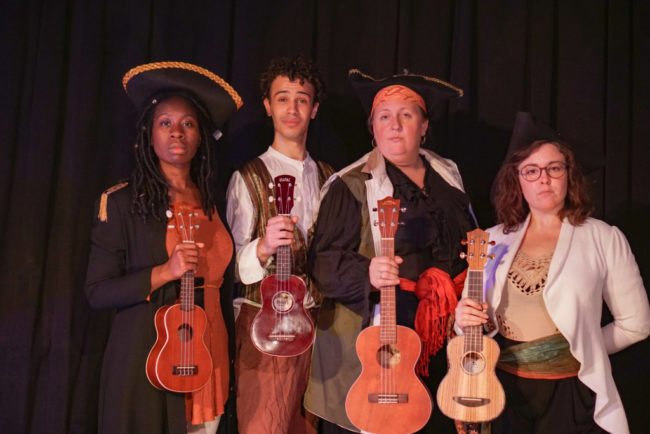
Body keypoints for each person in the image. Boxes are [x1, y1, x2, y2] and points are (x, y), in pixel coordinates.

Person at [454, 112, 650, 434]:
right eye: (531, 170)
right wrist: (464, 321)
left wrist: (577, 348)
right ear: (516, 179)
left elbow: (636, 325)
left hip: (571, 393)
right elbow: (474, 325)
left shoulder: (603, 237)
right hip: (503, 393)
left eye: (554, 168)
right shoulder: (489, 239)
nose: (543, 179)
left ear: (569, 175)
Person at [304, 69, 477, 433]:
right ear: (373, 128)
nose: (395, 125)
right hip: (385, 331)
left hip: (446, 327)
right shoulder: (350, 184)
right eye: (384, 116)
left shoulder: (447, 173)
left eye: (407, 115)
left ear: (424, 126)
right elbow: (321, 261)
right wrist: (365, 273)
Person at [85, 61, 243, 434]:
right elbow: (97, 291)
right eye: (165, 123)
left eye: (188, 124)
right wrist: (164, 272)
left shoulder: (213, 201)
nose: (177, 132)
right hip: (148, 359)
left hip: (210, 353)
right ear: (148, 135)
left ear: (201, 135)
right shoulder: (123, 203)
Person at [225, 54, 334, 434]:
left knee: (305, 427)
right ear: (268, 106)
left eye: (302, 99)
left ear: (314, 109)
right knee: (263, 426)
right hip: (262, 323)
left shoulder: (330, 178)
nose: (293, 108)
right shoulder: (248, 177)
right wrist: (262, 247)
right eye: (283, 98)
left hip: (317, 324)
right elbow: (230, 267)